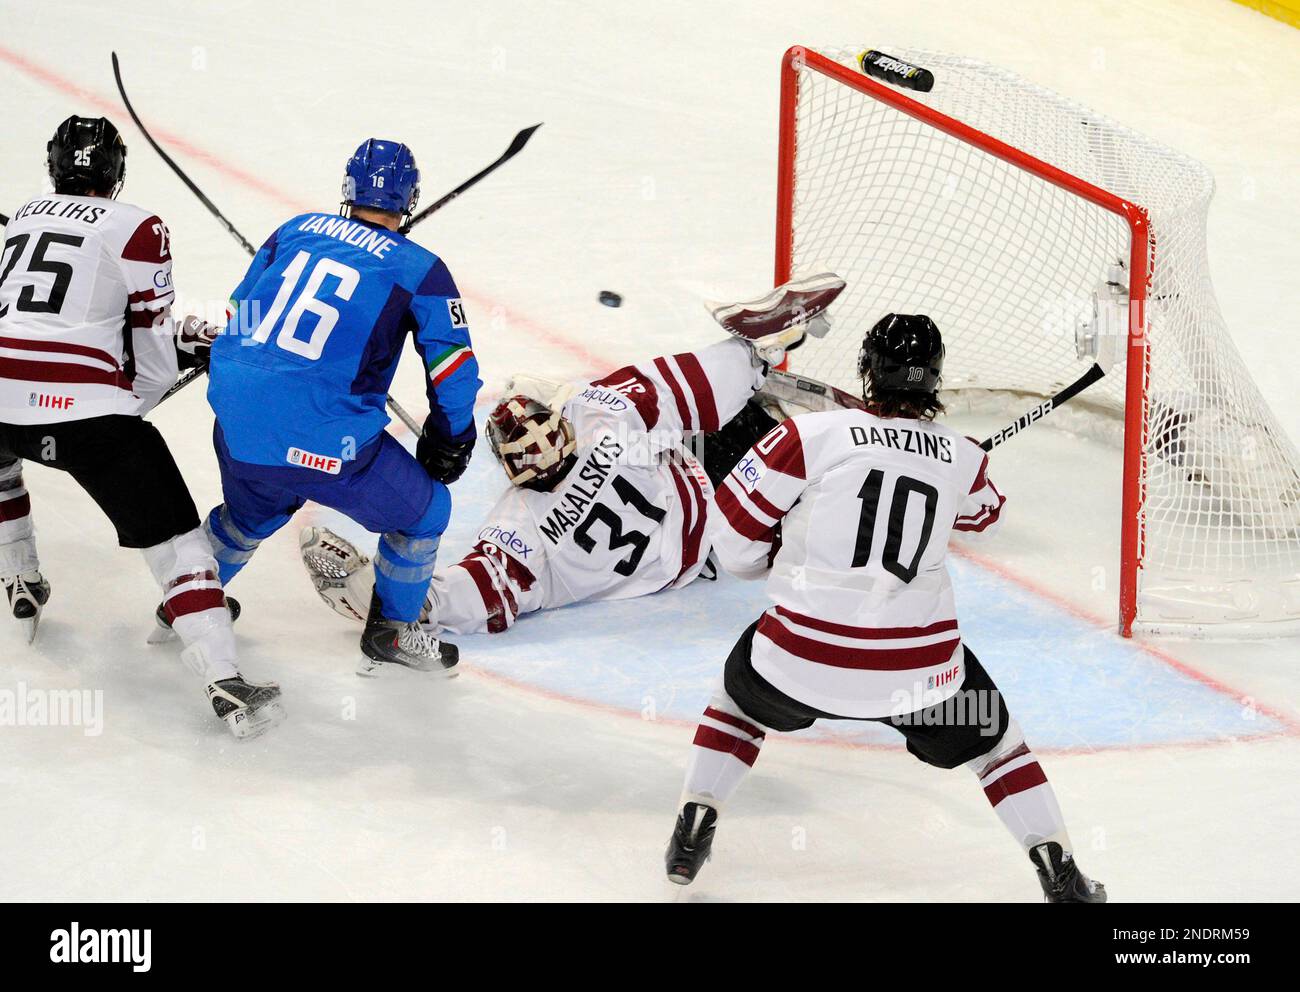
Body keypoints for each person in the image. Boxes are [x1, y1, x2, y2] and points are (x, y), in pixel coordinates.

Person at [664, 312, 1107, 903]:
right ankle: (1059, 869)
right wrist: (960, 463)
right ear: (935, 382)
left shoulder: (810, 435)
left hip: (796, 663)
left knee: (738, 704)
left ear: (868, 372)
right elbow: (985, 516)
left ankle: (697, 817)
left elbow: (732, 537)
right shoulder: (958, 458)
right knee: (997, 748)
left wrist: (781, 561)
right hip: (921, 679)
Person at [298, 275, 845, 637]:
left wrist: (398, 600)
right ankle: (759, 357)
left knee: (717, 442)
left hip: (705, 555)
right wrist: (744, 359)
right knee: (725, 419)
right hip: (718, 505)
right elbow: (677, 391)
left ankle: (765, 384)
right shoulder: (600, 416)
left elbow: (476, 595)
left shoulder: (518, 530)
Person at [0, 115, 282, 739]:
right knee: (178, 543)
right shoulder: (139, 225)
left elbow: (44, 318)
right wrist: (140, 397)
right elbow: (149, 357)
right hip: (85, 417)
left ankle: (19, 574)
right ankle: (224, 679)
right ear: (116, 172)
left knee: (4, 462)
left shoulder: (21, 215)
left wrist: (177, 340)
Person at [204, 138, 480, 677]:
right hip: (326, 441)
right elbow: (453, 370)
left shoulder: (294, 230)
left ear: (348, 190)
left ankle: (186, 603)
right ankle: (392, 633)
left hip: (236, 420)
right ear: (410, 198)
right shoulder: (420, 269)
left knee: (250, 512)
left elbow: (238, 310)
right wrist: (452, 437)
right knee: (426, 514)